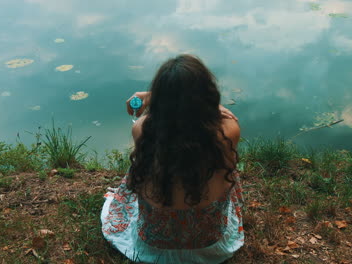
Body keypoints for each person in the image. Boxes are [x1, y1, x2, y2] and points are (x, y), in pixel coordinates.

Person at [101, 54, 244, 263]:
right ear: (207, 93)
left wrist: (151, 96)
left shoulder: (142, 129)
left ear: (160, 97)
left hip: (153, 244)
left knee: (140, 167)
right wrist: (211, 107)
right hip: (211, 245)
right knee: (226, 165)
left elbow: (153, 111)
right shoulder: (228, 131)